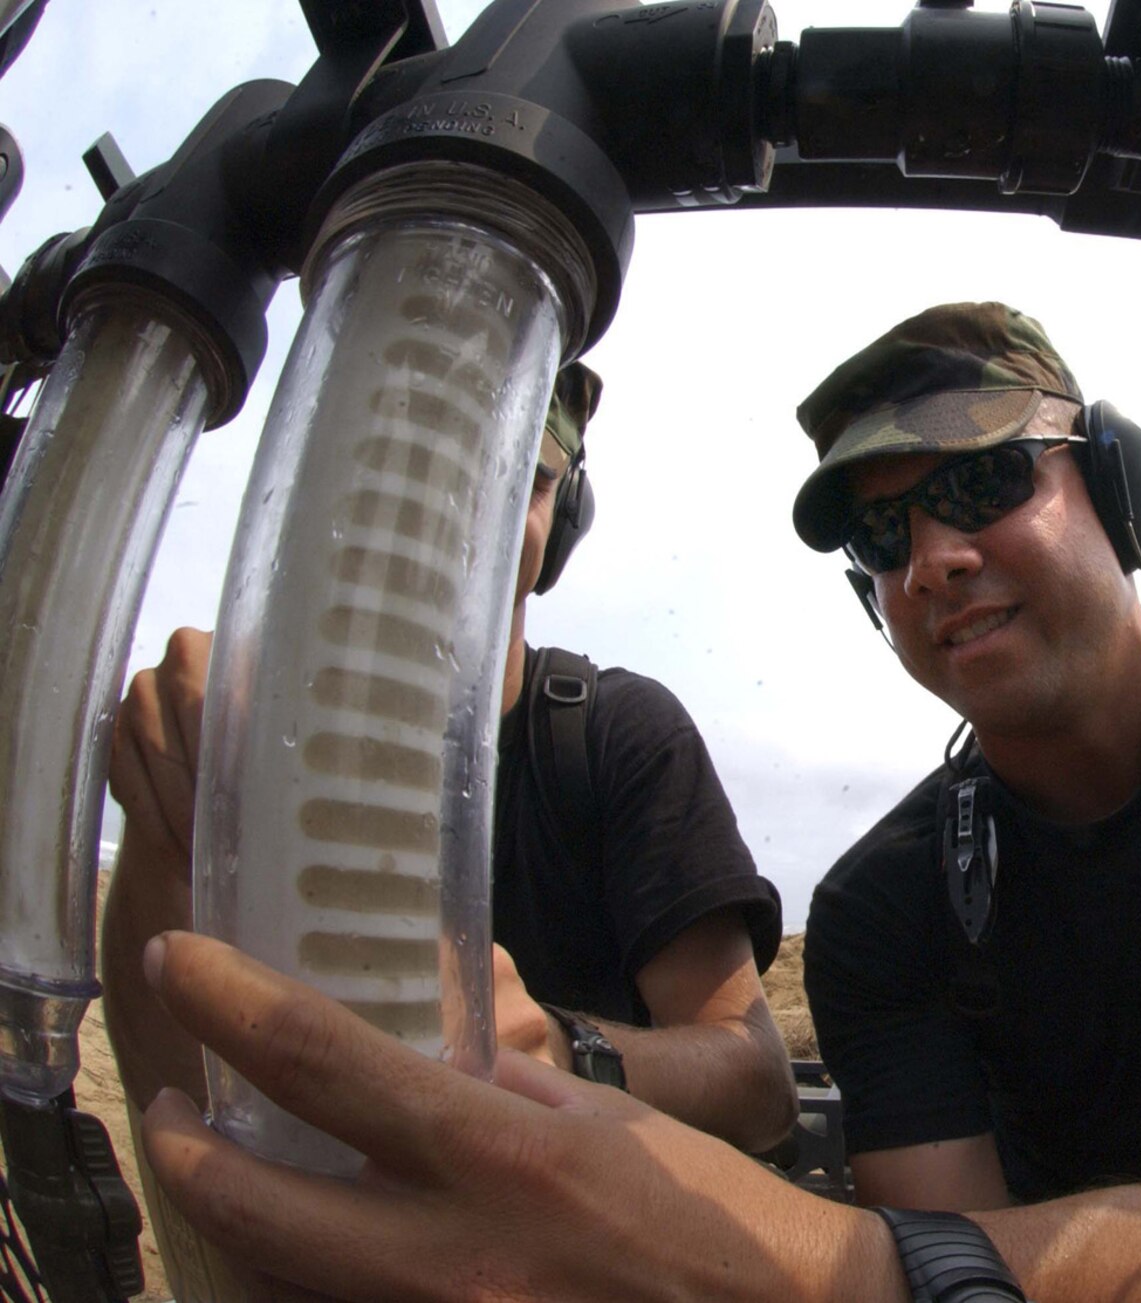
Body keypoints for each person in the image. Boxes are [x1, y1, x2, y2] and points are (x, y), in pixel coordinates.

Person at [119, 309, 1141, 1303]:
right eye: (884, 536)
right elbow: (947, 1238)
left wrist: (823, 1267)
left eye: (982, 486)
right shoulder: (886, 907)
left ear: (1116, 491)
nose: (933, 559)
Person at [102, 363, 797, 1290]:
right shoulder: (259, 748)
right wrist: (168, 818)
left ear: (563, 517)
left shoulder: (617, 738)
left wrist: (559, 1052)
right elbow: (171, 1082)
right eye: (426, 472)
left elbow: (757, 1080)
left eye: (522, 479)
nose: (463, 508)